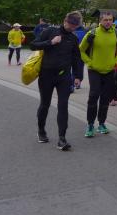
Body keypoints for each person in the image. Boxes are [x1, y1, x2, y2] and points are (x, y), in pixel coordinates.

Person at [31, 12, 84, 151]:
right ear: (65, 21)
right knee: (45, 104)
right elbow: (33, 45)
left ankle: (62, 138)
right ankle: (41, 131)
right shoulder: (50, 31)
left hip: (64, 77)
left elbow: (76, 58)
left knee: (63, 105)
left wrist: (78, 76)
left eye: (75, 26)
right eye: (71, 24)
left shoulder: (73, 38)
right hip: (46, 75)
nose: (72, 27)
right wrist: (51, 42)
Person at [80, 12, 117, 138]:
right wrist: (89, 62)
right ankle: (90, 124)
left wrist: (115, 61)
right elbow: (81, 50)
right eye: (105, 20)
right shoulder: (92, 33)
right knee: (94, 96)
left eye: (110, 20)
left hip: (109, 70)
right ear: (100, 21)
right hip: (94, 70)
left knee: (105, 98)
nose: (108, 22)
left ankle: (101, 123)